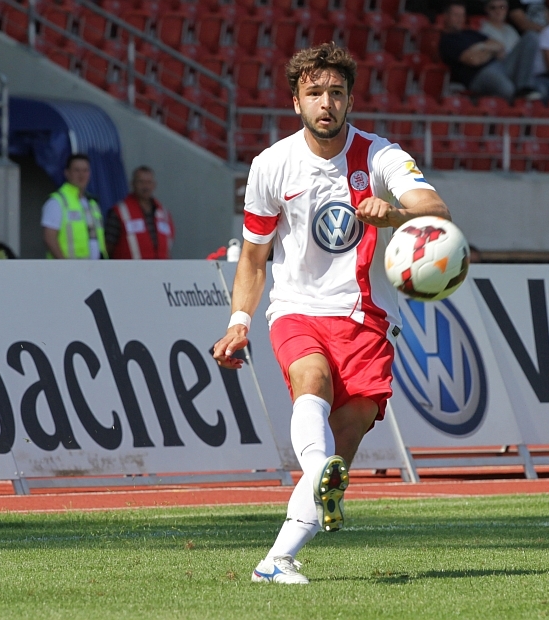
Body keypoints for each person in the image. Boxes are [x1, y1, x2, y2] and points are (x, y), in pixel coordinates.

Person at [212, 42, 452, 585]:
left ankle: (276, 560)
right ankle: (316, 480)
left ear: (350, 100)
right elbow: (253, 259)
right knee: (311, 380)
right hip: (297, 308)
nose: (327, 103)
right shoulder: (271, 165)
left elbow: (436, 211)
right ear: (296, 101)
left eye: (337, 92)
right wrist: (239, 322)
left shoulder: (381, 155)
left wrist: (393, 214)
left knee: (344, 440)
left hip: (366, 316)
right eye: (315, 92)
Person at [439, 1, 545, 102]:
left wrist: (480, 47)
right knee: (507, 89)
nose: (460, 19)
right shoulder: (447, 41)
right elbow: (474, 60)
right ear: (446, 16)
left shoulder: (470, 33)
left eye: (462, 15)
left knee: (531, 37)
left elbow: (499, 45)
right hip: (478, 75)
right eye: (456, 15)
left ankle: (524, 87)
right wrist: (491, 51)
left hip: (500, 65)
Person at [41, 153, 107, 260]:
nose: (82, 175)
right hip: (69, 268)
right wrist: (65, 265)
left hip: (96, 267)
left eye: (85, 170)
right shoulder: (57, 202)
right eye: (77, 170)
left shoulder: (92, 203)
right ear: (67, 173)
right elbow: (49, 238)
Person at [105, 166, 175, 259]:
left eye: (149, 182)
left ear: (154, 185)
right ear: (132, 184)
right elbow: (108, 248)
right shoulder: (119, 212)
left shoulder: (164, 214)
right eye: (141, 182)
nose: (145, 187)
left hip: (160, 268)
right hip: (129, 268)